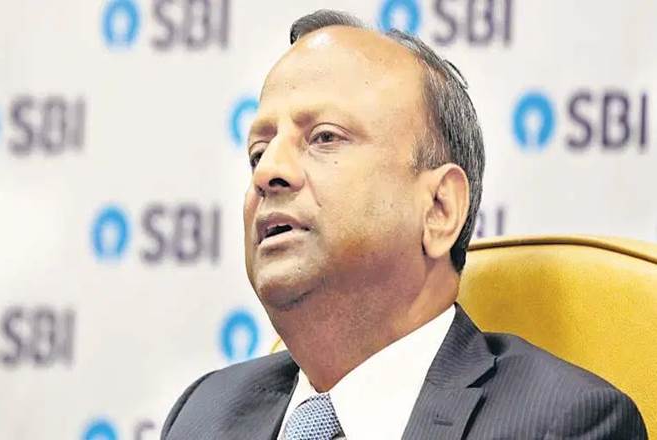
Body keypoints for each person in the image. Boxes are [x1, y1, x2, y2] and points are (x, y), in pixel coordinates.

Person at [161, 9, 647, 440]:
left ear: (439, 208)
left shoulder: (564, 424)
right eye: (258, 152)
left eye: (324, 137)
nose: (268, 172)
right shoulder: (204, 415)